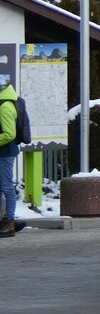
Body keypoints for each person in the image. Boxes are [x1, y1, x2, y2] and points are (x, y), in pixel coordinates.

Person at [0, 82, 26, 237]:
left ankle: (9, 223)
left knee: (6, 187)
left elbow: (9, 134)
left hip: (5, 153)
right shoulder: (6, 103)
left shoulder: (4, 106)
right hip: (4, 152)